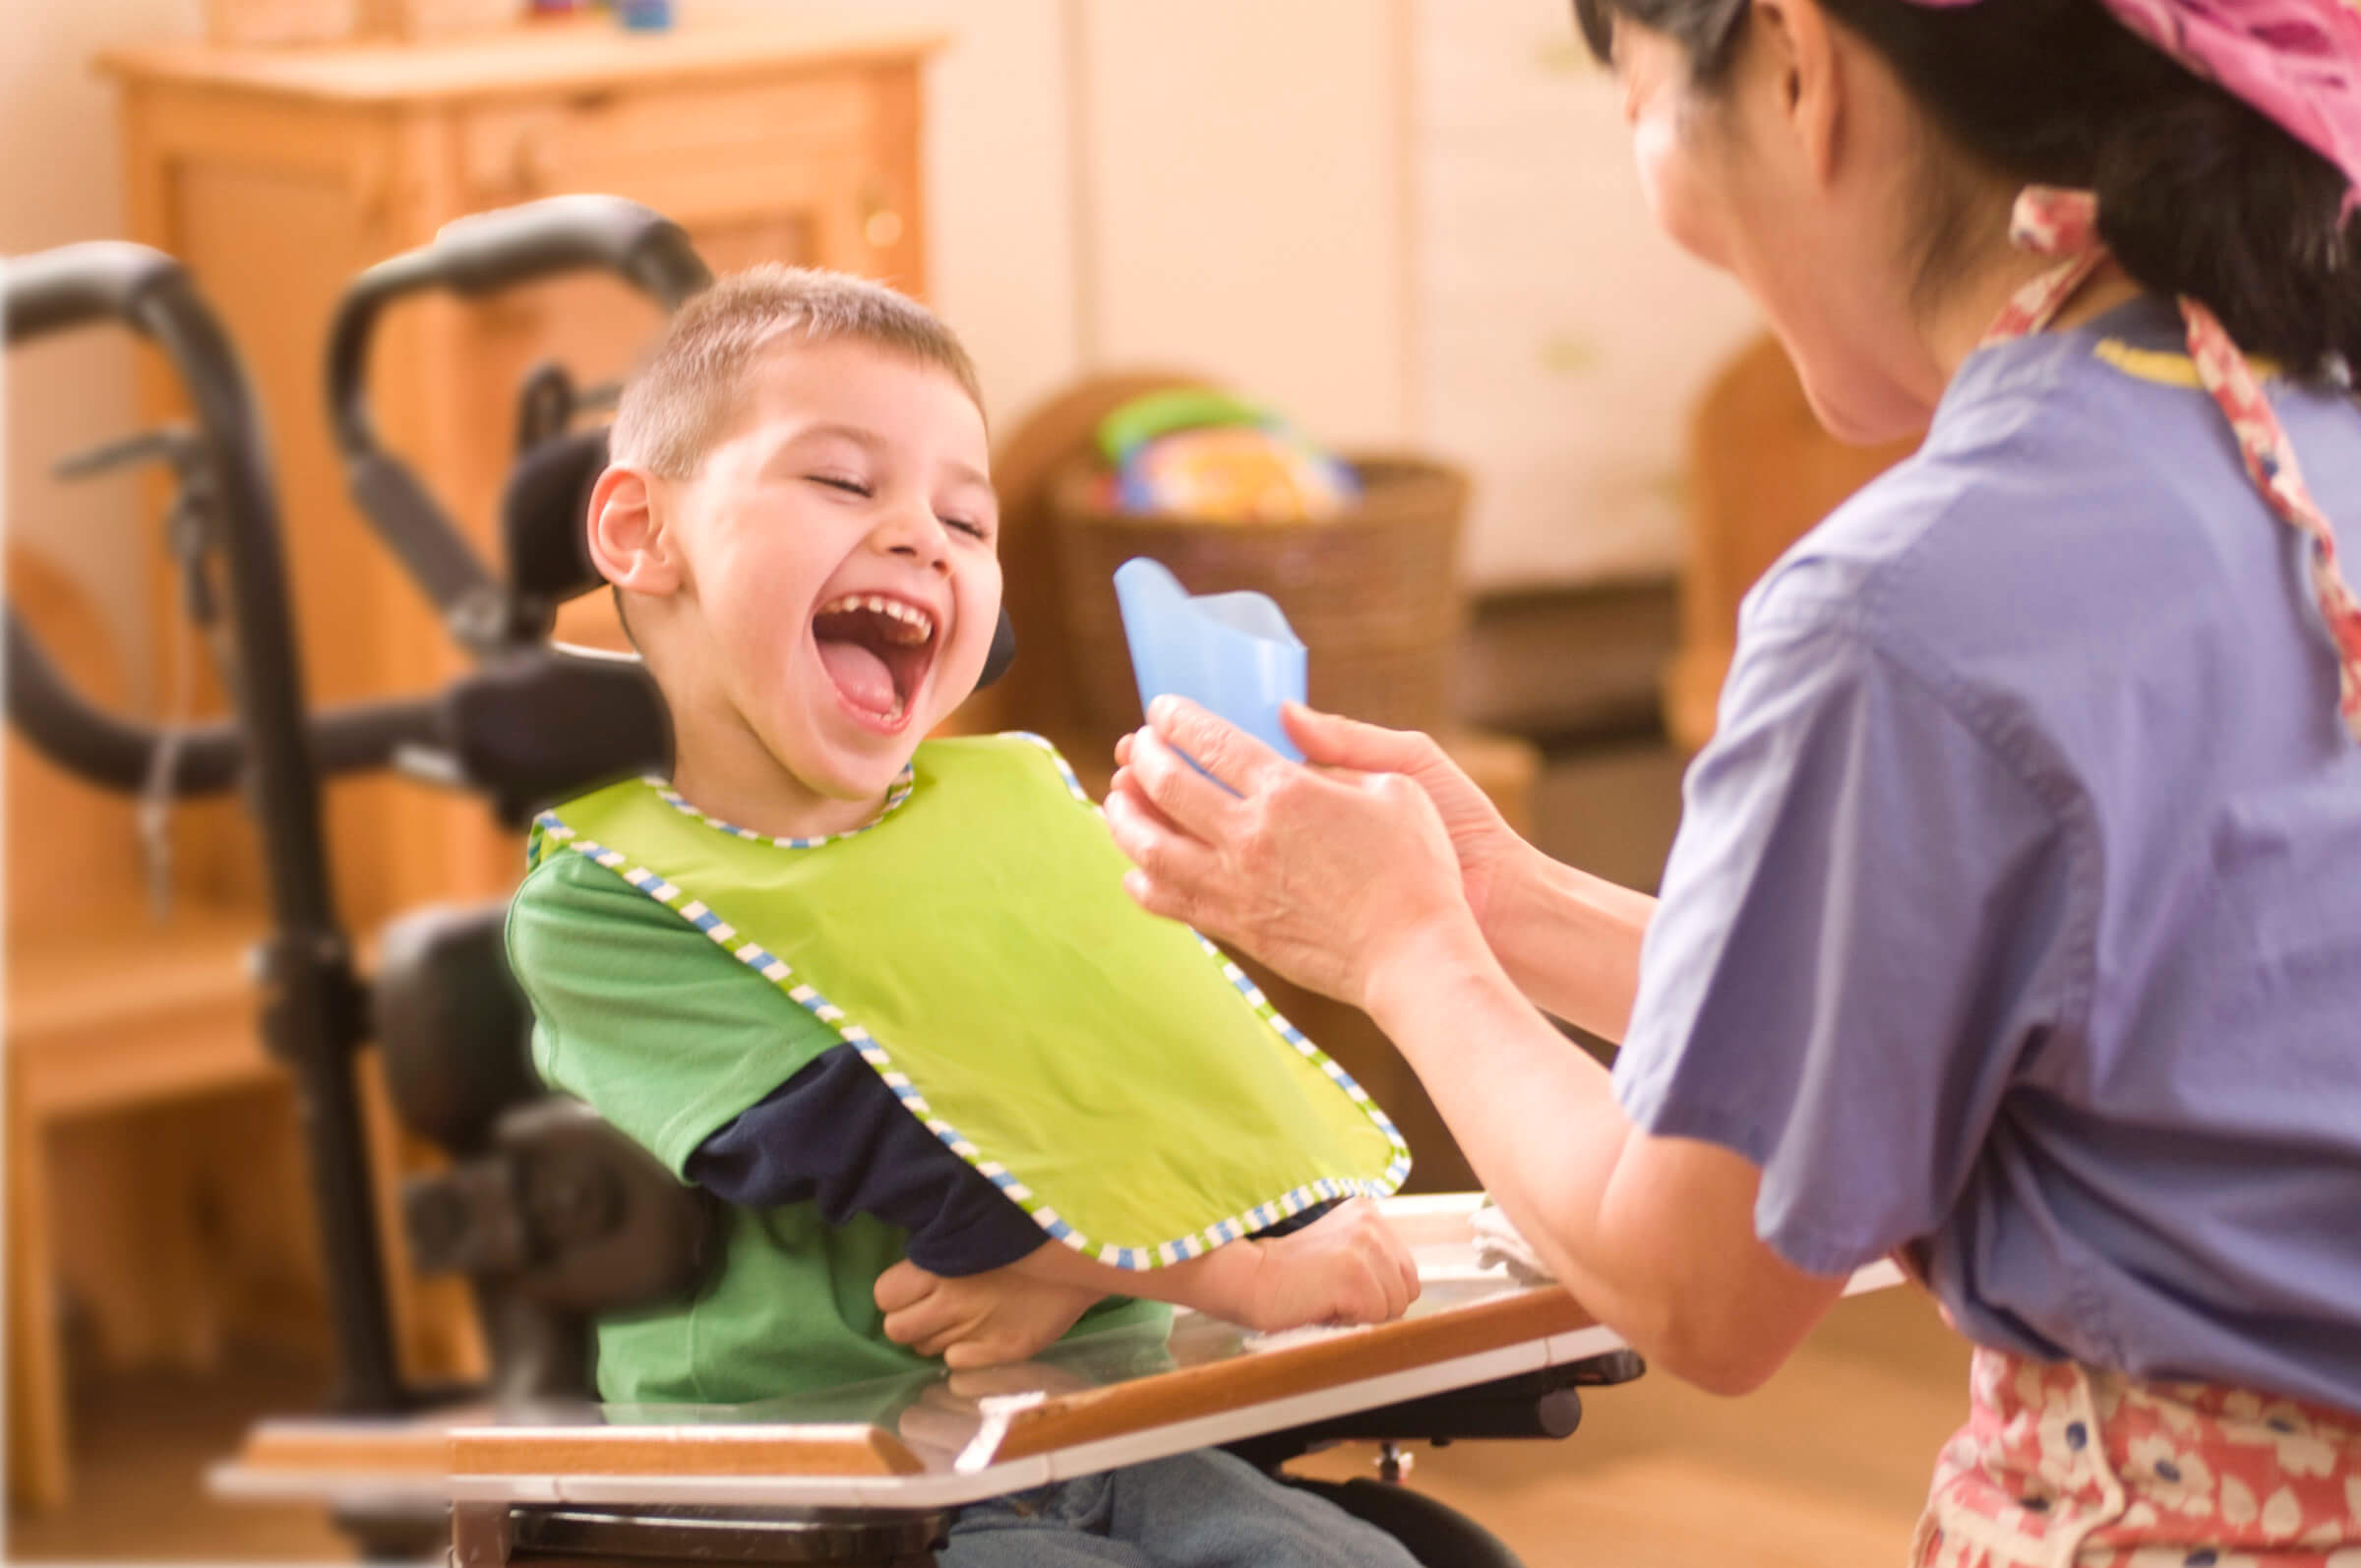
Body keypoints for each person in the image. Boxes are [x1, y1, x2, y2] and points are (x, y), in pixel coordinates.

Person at [889, 0, 2361, 1562]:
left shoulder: (1909, 603)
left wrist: (1405, 949)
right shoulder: (2295, 434)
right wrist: (1509, 901)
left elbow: (1700, 1286)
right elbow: (1940, 1017)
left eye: (1638, 98)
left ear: (1797, 64)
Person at [504, 264, 1426, 1568]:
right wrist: (1223, 1269)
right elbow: (894, 1138)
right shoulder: (606, 900)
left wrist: (1282, 1220)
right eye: (840, 480)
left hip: (1110, 1425)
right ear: (643, 532)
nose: (922, 534)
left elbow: (1172, 1063)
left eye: (966, 519)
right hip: (829, 1495)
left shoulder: (1011, 808)